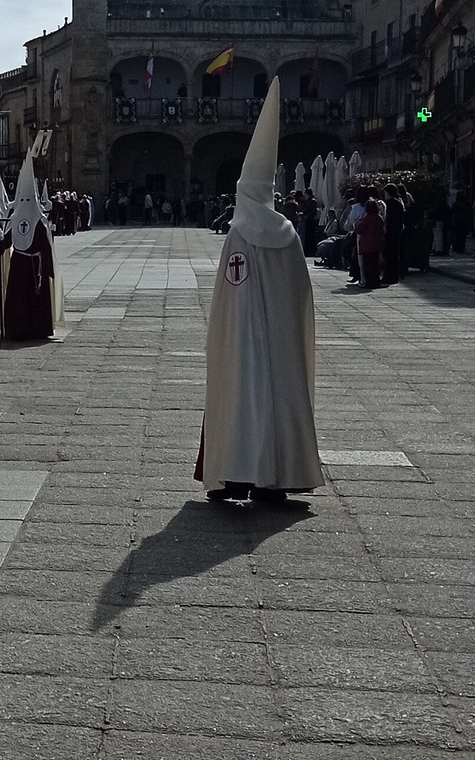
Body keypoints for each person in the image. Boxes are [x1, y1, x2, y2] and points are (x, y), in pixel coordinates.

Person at [193, 77, 324, 503]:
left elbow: (228, 296)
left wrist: (229, 335)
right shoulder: (287, 234)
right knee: (279, 396)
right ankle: (278, 479)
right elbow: (299, 297)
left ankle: (235, 475)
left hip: (241, 345)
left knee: (238, 398)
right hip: (281, 345)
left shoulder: (238, 234)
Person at [0, 153, 63, 341]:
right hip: (28, 264)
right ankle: (27, 329)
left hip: (28, 265)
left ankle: (26, 329)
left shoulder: (21, 219)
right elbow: (44, 246)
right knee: (26, 298)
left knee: (23, 297)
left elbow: (43, 246)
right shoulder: (35, 221)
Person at [354, 199, 384, 289]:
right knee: (375, 265)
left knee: (367, 266)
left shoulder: (366, 219)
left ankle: (369, 282)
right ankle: (376, 281)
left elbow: (358, 229)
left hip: (366, 246)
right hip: (376, 245)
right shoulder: (379, 218)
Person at [381, 183, 405, 284]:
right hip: (397, 231)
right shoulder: (399, 203)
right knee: (394, 255)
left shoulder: (389, 204)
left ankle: (389, 275)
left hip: (390, 232)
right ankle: (394, 275)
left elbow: (387, 218)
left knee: (389, 255)